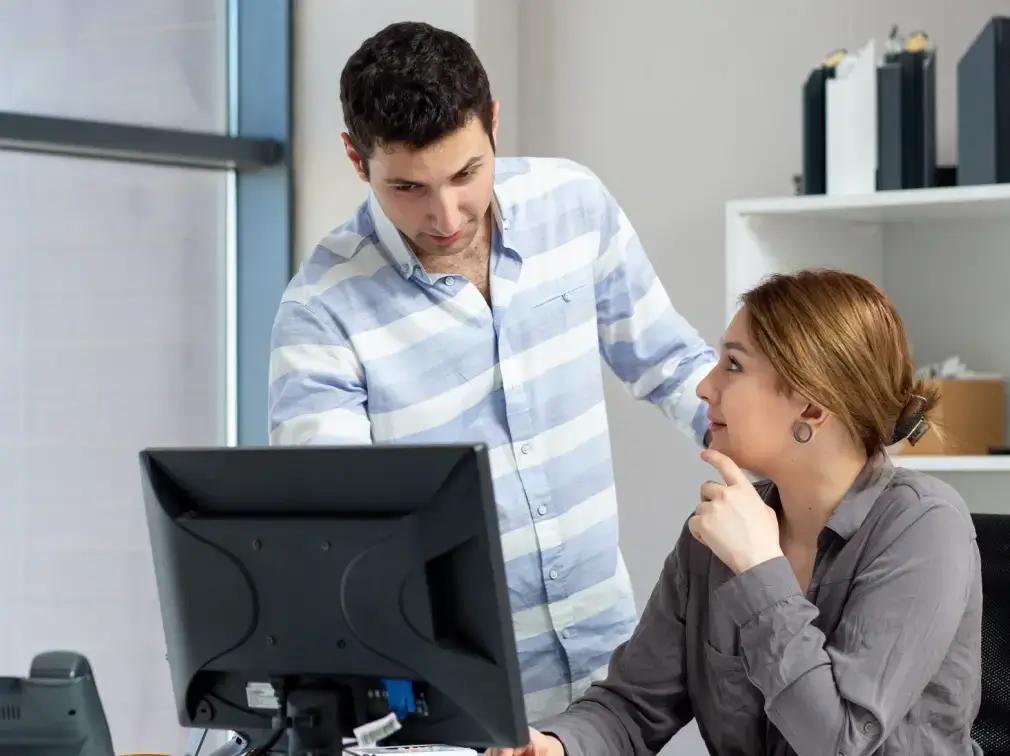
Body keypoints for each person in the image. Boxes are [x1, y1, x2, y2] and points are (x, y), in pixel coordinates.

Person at [266, 21, 718, 722]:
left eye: (466, 174)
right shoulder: (320, 314)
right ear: (357, 158)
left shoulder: (573, 204)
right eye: (408, 187)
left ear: (493, 123)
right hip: (453, 704)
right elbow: (336, 537)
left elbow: (672, 363)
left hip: (611, 678)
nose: (446, 215)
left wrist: (798, 456)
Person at [490, 268, 983, 756]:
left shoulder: (925, 526)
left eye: (733, 365)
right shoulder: (719, 534)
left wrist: (759, 572)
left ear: (812, 408)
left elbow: (840, 744)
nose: (704, 387)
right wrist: (556, 745)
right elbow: (632, 707)